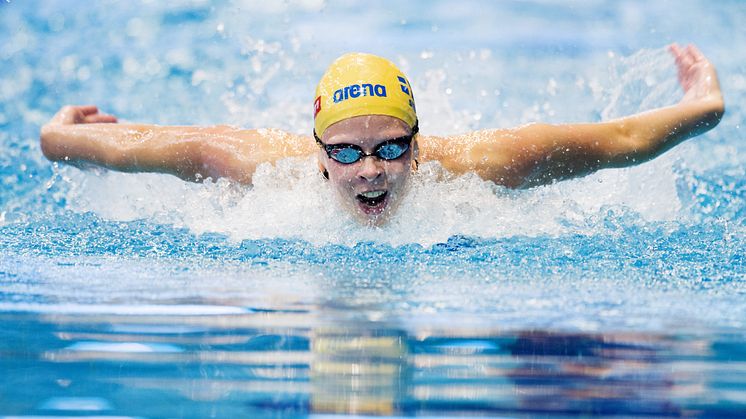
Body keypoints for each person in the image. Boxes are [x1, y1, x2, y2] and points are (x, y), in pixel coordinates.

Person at [40, 44, 724, 226]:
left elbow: (623, 138)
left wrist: (705, 106)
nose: (371, 170)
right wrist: (57, 135)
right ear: (318, 155)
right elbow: (138, 147)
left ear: (419, 146)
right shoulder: (256, 166)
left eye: (391, 147)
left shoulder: (484, 167)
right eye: (346, 152)